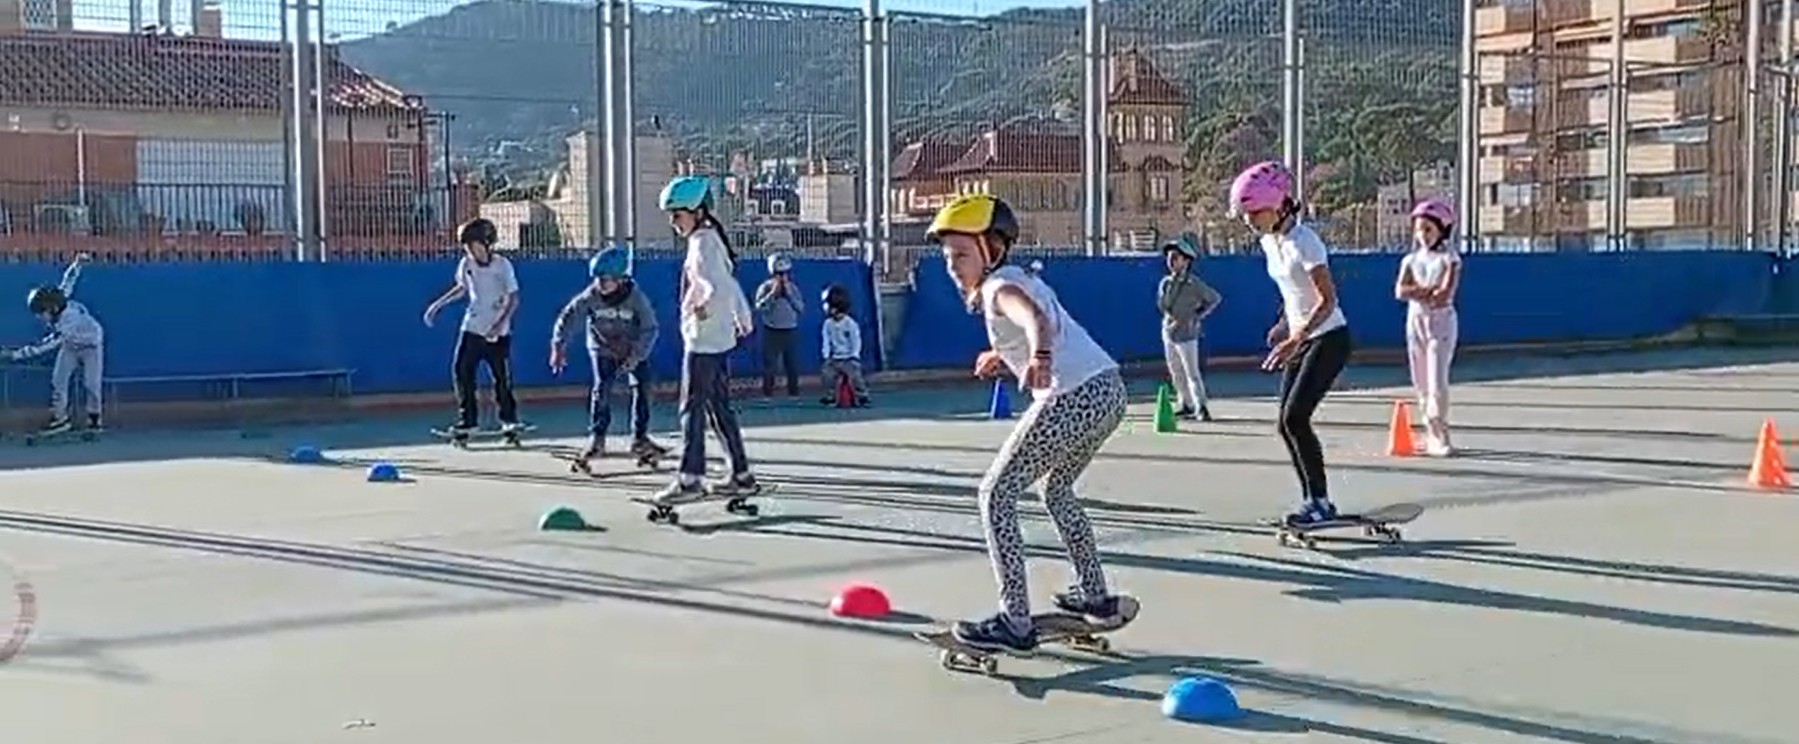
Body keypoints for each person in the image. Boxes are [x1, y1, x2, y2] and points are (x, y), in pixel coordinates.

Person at [926, 193, 1137, 655]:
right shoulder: (1017, 278)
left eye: (961, 255)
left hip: (1073, 396)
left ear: (992, 249)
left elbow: (1035, 320)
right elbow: (1039, 324)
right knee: (1055, 490)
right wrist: (1002, 355)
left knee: (995, 493)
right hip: (1108, 390)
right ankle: (1095, 597)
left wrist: (1039, 357)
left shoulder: (999, 288)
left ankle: (1015, 621)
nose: (952, 266)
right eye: (947, 257)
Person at [1232, 161, 1353, 529]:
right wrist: (1284, 325)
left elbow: (1327, 300)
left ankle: (1321, 502)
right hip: (1300, 338)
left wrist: (1296, 337)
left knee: (1295, 418)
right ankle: (1313, 500)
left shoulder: (1306, 241)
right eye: (1245, 214)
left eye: (1255, 212)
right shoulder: (1270, 242)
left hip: (1329, 338)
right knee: (1286, 424)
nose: (1248, 221)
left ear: (1279, 205)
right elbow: (1292, 294)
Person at [652, 175, 764, 504]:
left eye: (677, 214)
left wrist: (699, 312)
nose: (673, 222)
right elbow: (729, 284)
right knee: (719, 408)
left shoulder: (702, 244)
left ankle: (690, 479)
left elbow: (718, 287)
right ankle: (741, 476)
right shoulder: (711, 239)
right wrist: (742, 319)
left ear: (698, 212)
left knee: (691, 408)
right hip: (717, 339)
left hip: (704, 341)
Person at [550, 244, 668, 463]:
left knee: (643, 387)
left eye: (605, 279)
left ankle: (640, 437)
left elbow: (650, 328)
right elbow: (569, 316)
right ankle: (597, 438)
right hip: (602, 348)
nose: (600, 284)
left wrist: (636, 357)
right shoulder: (591, 296)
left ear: (621, 279)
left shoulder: (636, 298)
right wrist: (558, 345)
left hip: (632, 349)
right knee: (602, 389)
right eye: (597, 279)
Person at [423, 217, 524, 437]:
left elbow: (514, 298)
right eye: (466, 246)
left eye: (473, 244)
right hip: (473, 326)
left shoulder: (502, 265)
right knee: (462, 371)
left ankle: (509, 420)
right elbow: (462, 288)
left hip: (498, 331)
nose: (469, 250)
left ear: (486, 243)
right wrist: (437, 305)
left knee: (501, 377)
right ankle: (468, 421)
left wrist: (499, 325)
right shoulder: (466, 264)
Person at [8, 253, 102, 435]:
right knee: (58, 381)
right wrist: (77, 264)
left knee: (92, 384)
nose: (39, 316)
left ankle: (94, 420)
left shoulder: (69, 321)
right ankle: (61, 419)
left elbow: (45, 345)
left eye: (40, 312)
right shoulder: (60, 298)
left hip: (92, 345)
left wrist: (14, 355)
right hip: (70, 345)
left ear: (52, 308)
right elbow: (69, 280)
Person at [1395, 198, 1462, 457]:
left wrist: (1419, 291)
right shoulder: (1410, 260)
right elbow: (1400, 291)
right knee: (1420, 380)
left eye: (1428, 229)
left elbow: (1443, 296)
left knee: (1437, 380)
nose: (1422, 235)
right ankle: (1429, 429)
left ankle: (1440, 434)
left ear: (1442, 230)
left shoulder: (1449, 259)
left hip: (1441, 323)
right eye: (1419, 229)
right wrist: (1426, 291)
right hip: (1416, 322)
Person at [1156, 233, 1222, 422]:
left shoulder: (1194, 283)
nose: (1171, 261)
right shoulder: (1166, 283)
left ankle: (1201, 406)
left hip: (1187, 333)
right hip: (1169, 331)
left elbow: (1214, 299)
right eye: (1169, 257)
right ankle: (1185, 404)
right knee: (1176, 371)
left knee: (1191, 372)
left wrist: (1197, 315)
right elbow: (1162, 305)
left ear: (1186, 261)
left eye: (1176, 257)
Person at [753, 252, 804, 398]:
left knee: (792, 366)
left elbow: (800, 308)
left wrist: (789, 295)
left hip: (790, 331)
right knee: (770, 366)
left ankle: (794, 395)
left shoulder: (793, 288)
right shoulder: (765, 287)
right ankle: (767, 395)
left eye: (785, 273)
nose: (782, 277)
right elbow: (760, 307)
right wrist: (772, 295)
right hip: (771, 331)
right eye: (779, 274)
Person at [817, 284, 869, 407]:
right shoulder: (828, 324)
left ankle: (862, 395)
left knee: (855, 376)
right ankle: (830, 396)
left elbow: (855, 340)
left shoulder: (850, 324)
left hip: (849, 358)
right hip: (834, 358)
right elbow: (826, 340)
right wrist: (826, 355)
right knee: (827, 374)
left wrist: (854, 355)